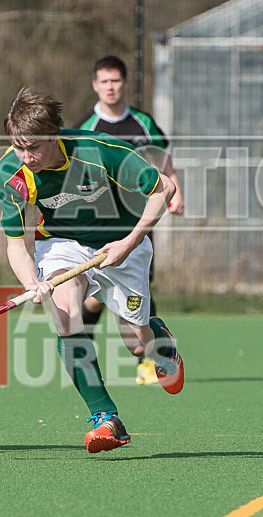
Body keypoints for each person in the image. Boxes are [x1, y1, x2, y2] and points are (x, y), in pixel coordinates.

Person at [0, 87, 184, 454]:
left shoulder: (100, 150)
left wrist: (128, 243)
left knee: (135, 344)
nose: (26, 156)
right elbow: (16, 242)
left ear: (55, 136)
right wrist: (31, 282)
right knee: (65, 313)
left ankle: (161, 346)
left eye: (34, 147)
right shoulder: (12, 172)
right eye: (19, 147)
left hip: (121, 241)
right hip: (61, 243)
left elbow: (165, 188)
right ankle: (105, 418)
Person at [74, 55, 184, 385]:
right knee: (94, 296)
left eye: (115, 81)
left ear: (124, 84)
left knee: (138, 289)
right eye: (104, 81)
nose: (110, 87)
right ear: (95, 85)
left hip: (136, 224)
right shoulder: (85, 128)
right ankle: (85, 349)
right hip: (97, 224)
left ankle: (149, 359)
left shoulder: (143, 123)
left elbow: (164, 160)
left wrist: (176, 191)